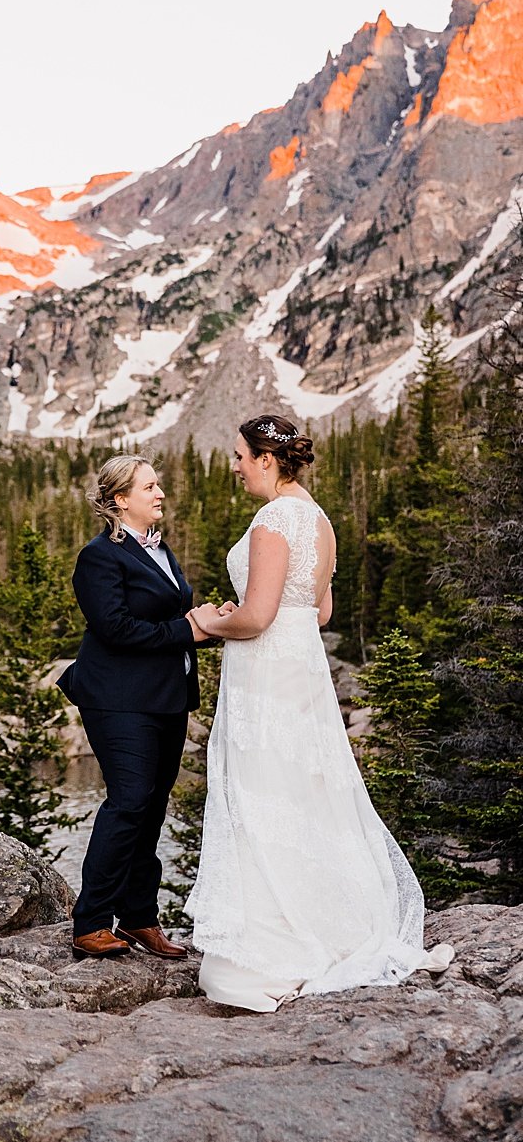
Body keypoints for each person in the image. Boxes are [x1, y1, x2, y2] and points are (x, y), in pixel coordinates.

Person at [185, 414, 452, 1011]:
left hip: (264, 671)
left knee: (260, 793)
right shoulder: (320, 520)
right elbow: (321, 610)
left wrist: (207, 621)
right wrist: (252, 610)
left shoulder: (273, 519)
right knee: (303, 790)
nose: (234, 467)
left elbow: (256, 618)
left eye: (238, 456)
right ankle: (332, 925)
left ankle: (273, 948)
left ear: (267, 459)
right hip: (301, 667)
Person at [58, 454, 208, 960]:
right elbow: (115, 628)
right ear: (120, 500)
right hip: (117, 699)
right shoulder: (98, 557)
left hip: (166, 697)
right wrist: (187, 629)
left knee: (152, 807)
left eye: (158, 485)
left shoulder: (160, 549)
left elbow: (169, 616)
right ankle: (91, 921)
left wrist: (207, 621)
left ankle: (140, 919)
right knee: (128, 802)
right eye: (149, 487)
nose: (160, 493)